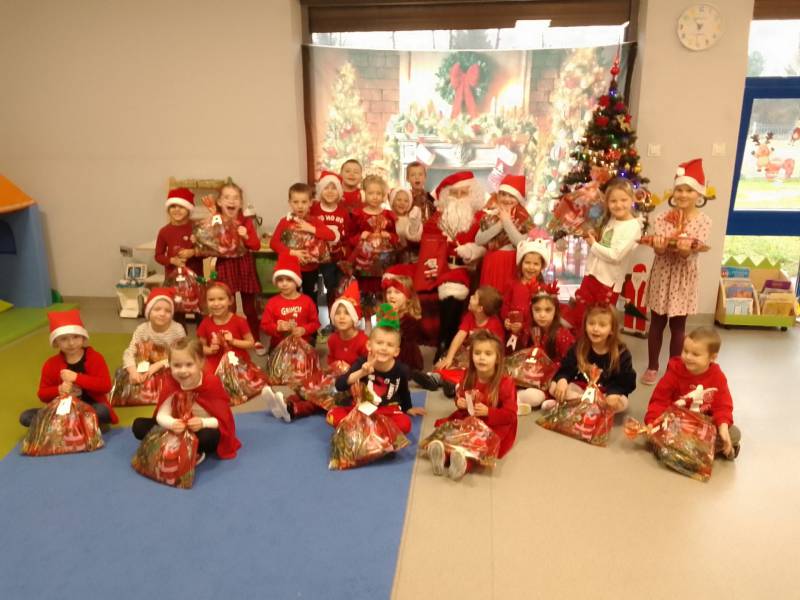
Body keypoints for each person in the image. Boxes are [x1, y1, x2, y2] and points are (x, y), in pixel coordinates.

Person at [641, 159, 713, 385]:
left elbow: (691, 252)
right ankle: (652, 366)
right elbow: (659, 251)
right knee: (656, 322)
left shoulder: (704, 221)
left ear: (699, 193)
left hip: (684, 278)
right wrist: (659, 246)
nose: (683, 194)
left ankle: (674, 369)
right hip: (662, 275)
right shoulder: (662, 217)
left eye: (689, 190)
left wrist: (684, 250)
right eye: (679, 189)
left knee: (678, 326)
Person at [425, 330, 517, 480]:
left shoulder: (505, 382)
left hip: (494, 424)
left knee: (477, 444)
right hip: (470, 417)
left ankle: (463, 464)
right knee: (455, 435)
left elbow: (511, 415)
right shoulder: (469, 374)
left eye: (488, 354)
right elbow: (461, 394)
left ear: (498, 358)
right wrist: (459, 401)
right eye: (477, 353)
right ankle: (443, 456)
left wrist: (489, 412)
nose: (482, 357)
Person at [132, 338, 241, 462]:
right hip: (176, 427)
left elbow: (222, 419)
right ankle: (179, 447)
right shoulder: (170, 382)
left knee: (209, 437)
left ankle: (190, 450)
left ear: (200, 363)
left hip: (199, 430)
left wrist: (203, 422)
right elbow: (162, 415)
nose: (183, 371)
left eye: (189, 365)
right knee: (139, 426)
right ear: (170, 365)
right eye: (177, 365)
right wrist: (172, 423)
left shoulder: (211, 383)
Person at [413, 171, 485, 359]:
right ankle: (445, 343)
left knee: (454, 288)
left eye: (464, 192)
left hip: (473, 270)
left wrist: (472, 250)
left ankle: (447, 344)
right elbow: (423, 238)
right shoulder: (439, 218)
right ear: (446, 196)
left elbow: (487, 245)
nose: (459, 197)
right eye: (454, 193)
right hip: (445, 269)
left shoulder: (482, 217)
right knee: (452, 288)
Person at [644, 327, 740, 459]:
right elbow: (659, 400)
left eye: (695, 354)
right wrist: (652, 421)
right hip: (677, 423)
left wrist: (723, 428)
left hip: (702, 427)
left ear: (712, 357)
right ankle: (704, 451)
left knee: (734, 433)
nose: (688, 357)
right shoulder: (674, 372)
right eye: (685, 351)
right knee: (654, 433)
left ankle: (682, 450)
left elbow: (723, 406)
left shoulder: (717, 377)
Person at [328, 307, 426, 433]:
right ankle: (373, 430)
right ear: (369, 345)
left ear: (396, 351)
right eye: (379, 343)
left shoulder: (401, 370)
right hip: (362, 408)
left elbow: (404, 391)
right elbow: (340, 385)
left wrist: (408, 408)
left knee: (405, 424)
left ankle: (366, 430)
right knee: (333, 414)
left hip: (387, 410)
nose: (384, 348)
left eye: (390, 345)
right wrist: (362, 372)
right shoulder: (362, 362)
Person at [565, 177, 642, 329]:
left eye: (623, 200)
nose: (618, 205)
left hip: (608, 282)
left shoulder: (632, 227)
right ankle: (579, 342)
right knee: (581, 316)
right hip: (592, 275)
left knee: (600, 321)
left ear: (632, 199)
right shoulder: (612, 219)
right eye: (613, 201)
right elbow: (606, 243)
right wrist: (595, 238)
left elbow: (615, 255)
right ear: (607, 202)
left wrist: (593, 245)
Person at [21, 309, 117, 427]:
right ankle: (74, 426)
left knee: (102, 411)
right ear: (56, 342)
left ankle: (67, 426)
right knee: (26, 417)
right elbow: (42, 394)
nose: (71, 343)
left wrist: (77, 378)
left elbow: (105, 386)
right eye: (64, 339)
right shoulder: (51, 364)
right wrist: (59, 389)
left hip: (90, 407)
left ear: (83, 337)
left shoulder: (95, 358)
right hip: (62, 410)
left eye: (76, 337)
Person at [547, 303, 636, 412]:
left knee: (622, 403)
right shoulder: (579, 346)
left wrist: (614, 393)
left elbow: (625, 381)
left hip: (606, 393)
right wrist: (563, 379)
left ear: (612, 330)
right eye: (591, 323)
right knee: (554, 386)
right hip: (581, 389)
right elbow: (566, 368)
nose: (595, 329)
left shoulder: (621, 353)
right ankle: (586, 405)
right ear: (585, 325)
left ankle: (577, 405)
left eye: (602, 325)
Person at [209, 180, 263, 341]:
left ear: (241, 203)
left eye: (236, 198)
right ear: (220, 202)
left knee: (250, 308)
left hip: (244, 264)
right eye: (227, 197)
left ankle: (255, 338)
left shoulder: (246, 221)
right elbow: (207, 246)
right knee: (227, 306)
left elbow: (256, 245)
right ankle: (230, 337)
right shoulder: (215, 221)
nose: (231, 201)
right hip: (225, 265)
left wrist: (245, 235)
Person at [270, 182, 337, 301]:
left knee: (310, 298)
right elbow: (274, 243)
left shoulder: (314, 222)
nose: (300, 206)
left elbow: (331, 236)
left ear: (310, 203)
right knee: (290, 298)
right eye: (296, 202)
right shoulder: (285, 222)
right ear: (290, 203)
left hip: (311, 270)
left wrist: (311, 228)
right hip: (290, 269)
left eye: (304, 202)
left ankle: (310, 313)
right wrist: (293, 253)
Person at [515, 281, 575, 411]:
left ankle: (530, 398)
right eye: (537, 310)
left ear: (555, 311)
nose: (542, 315)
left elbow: (569, 364)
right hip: (530, 379)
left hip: (553, 379)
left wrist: (558, 378)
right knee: (533, 395)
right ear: (531, 310)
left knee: (551, 392)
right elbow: (520, 357)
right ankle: (517, 398)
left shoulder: (562, 334)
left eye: (548, 310)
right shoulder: (529, 330)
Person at [348, 174, 398, 322]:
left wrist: (389, 236)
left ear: (383, 196)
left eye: (378, 193)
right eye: (371, 193)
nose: (375, 197)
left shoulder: (388, 215)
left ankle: (384, 321)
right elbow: (350, 238)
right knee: (365, 293)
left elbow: (396, 238)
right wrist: (360, 236)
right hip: (364, 265)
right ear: (364, 193)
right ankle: (368, 322)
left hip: (384, 264)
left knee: (383, 290)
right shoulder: (357, 215)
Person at [474, 174, 533, 295]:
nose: (506, 199)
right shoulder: (490, 215)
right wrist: (500, 225)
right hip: (492, 263)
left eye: (511, 196)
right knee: (489, 299)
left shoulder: (524, 218)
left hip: (512, 263)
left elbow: (521, 243)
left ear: (518, 198)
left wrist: (507, 222)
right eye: (503, 194)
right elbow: (479, 240)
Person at [120, 287, 186, 389]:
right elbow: (129, 352)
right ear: (148, 311)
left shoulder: (177, 330)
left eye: (168, 311)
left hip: (170, 368)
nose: (162, 314)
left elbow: (183, 356)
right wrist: (133, 371)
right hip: (145, 368)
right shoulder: (142, 329)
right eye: (157, 309)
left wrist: (158, 365)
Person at [310, 171, 350, 316]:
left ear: (339, 191)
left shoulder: (343, 212)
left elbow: (347, 236)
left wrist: (345, 253)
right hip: (314, 257)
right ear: (320, 190)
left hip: (334, 258)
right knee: (311, 288)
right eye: (326, 188)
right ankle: (313, 319)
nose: (330, 191)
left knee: (332, 287)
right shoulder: (313, 209)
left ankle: (333, 318)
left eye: (334, 188)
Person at [501, 237, 550, 352]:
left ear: (541, 267)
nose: (531, 267)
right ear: (521, 264)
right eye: (527, 263)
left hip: (533, 335)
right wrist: (506, 320)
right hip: (512, 333)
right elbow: (505, 305)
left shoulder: (543, 289)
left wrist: (524, 326)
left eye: (536, 264)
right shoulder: (512, 284)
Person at [260, 253, 320, 348]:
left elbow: (315, 323)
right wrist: (277, 327)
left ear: (296, 281)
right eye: (280, 280)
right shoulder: (272, 303)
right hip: (279, 346)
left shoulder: (307, 301)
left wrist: (304, 330)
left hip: (302, 345)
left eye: (289, 280)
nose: (284, 284)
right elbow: (265, 326)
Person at [197, 281, 256, 374]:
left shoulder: (240, 321)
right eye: (211, 300)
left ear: (230, 300)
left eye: (221, 299)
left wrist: (233, 341)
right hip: (215, 365)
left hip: (238, 362)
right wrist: (210, 350)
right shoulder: (205, 323)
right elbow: (200, 347)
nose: (216, 303)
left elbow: (251, 343)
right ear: (206, 302)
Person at [154, 187, 203, 281]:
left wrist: (193, 252)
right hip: (172, 279)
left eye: (181, 207)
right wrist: (172, 260)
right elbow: (158, 256)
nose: (177, 210)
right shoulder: (164, 231)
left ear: (188, 209)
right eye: (173, 206)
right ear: (168, 209)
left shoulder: (197, 228)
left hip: (195, 277)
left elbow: (207, 251)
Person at [382, 266, 424, 372]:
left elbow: (397, 337)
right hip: (388, 357)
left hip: (406, 361)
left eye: (397, 292)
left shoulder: (411, 319)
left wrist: (393, 315)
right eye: (389, 292)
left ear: (408, 296)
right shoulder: (385, 314)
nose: (391, 296)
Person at [326, 279, 368, 368]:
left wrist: (350, 369)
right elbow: (330, 361)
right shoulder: (332, 339)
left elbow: (368, 366)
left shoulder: (363, 342)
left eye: (347, 313)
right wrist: (336, 366)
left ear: (354, 317)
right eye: (337, 313)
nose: (341, 317)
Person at [390, 186, 423, 263]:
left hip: (408, 256)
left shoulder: (411, 218)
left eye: (406, 201)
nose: (402, 203)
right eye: (399, 200)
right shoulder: (389, 218)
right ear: (392, 201)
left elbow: (416, 237)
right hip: (392, 256)